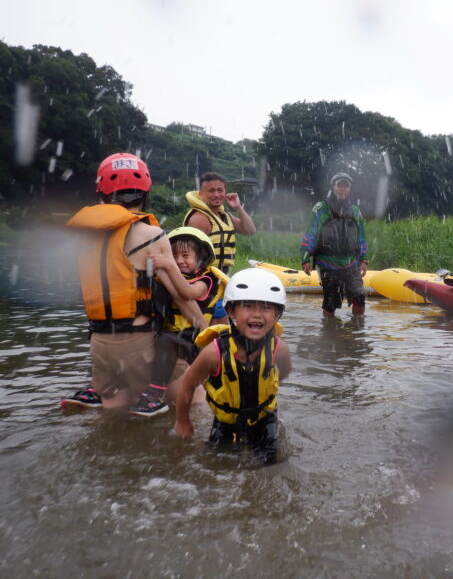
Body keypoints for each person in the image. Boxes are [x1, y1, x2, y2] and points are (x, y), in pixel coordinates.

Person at [61, 153, 205, 412]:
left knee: (112, 412)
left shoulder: (84, 237)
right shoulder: (149, 235)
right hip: (140, 343)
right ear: (145, 191)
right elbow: (180, 296)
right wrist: (209, 333)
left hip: (99, 343)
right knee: (195, 400)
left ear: (101, 192)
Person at [172, 268, 292, 464]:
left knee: (272, 463)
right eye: (247, 306)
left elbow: (285, 372)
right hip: (226, 421)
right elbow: (188, 385)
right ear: (230, 310)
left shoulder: (280, 350)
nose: (257, 315)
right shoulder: (213, 353)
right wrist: (182, 421)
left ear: (277, 313)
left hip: (265, 418)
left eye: (266, 307)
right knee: (215, 464)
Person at [128, 226, 229, 417]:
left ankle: (154, 394)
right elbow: (169, 295)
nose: (180, 261)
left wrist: (168, 266)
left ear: (201, 258)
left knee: (167, 340)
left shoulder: (207, 278)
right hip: (175, 337)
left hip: (195, 340)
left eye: (186, 255)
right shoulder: (173, 276)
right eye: (174, 256)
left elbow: (188, 293)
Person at [300, 172, 368, 316]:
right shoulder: (321, 208)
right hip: (327, 263)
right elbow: (310, 234)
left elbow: (361, 236)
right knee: (331, 303)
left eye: (346, 186)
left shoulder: (355, 211)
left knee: (360, 297)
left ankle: (358, 332)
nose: (342, 189)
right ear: (333, 187)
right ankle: (330, 333)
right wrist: (305, 257)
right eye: (339, 185)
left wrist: (364, 258)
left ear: (349, 189)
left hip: (351, 263)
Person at [183, 172, 257, 276]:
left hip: (221, 275)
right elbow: (191, 255)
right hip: (204, 277)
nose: (216, 195)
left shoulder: (224, 216)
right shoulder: (199, 219)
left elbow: (250, 231)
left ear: (225, 192)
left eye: (220, 190)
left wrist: (238, 208)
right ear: (201, 194)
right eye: (211, 191)